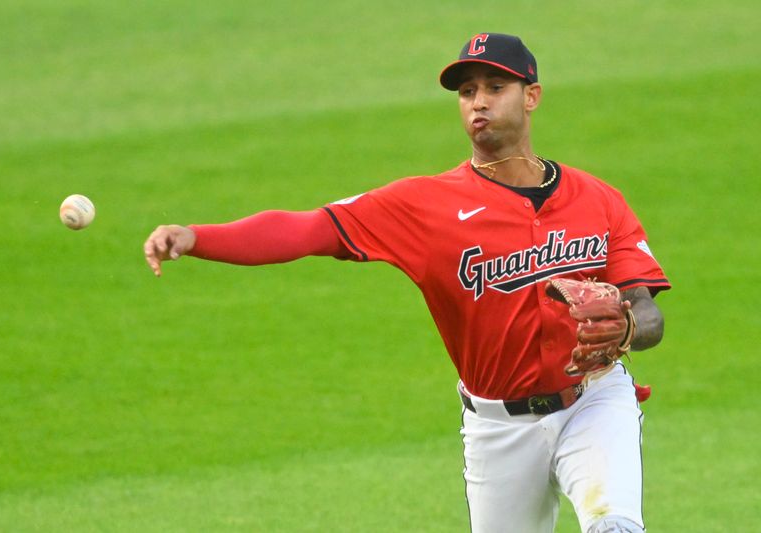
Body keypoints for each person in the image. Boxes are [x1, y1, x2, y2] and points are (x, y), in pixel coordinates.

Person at [143, 33, 669, 533]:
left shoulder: (597, 199)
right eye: (467, 91)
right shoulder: (424, 205)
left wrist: (625, 328)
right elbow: (308, 229)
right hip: (498, 428)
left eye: (494, 87)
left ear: (531, 96)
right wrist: (197, 237)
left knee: (613, 523)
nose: (478, 102)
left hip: (593, 401)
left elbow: (648, 314)